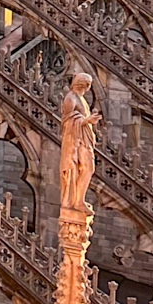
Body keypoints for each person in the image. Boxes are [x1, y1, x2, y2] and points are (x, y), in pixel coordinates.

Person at [58, 72, 101, 212]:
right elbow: (66, 123)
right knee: (86, 168)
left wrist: (88, 121)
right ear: (86, 85)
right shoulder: (70, 99)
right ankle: (77, 201)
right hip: (74, 141)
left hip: (83, 138)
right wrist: (86, 121)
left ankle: (79, 200)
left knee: (88, 168)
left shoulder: (80, 98)